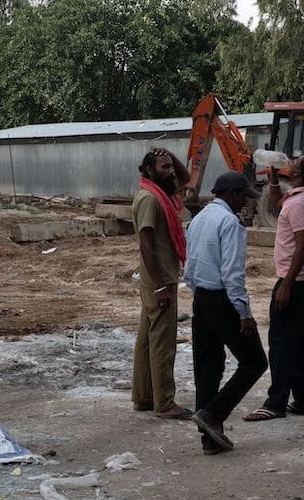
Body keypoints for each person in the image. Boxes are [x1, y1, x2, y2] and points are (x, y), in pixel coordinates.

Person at [185, 171, 268, 454]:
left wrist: (199, 294)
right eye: (243, 196)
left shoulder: (198, 219)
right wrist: (244, 313)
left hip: (201, 297)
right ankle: (213, 414)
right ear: (232, 193)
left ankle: (210, 439)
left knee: (208, 366)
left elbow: (191, 265)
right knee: (255, 362)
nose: (245, 202)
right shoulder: (229, 222)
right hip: (222, 299)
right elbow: (233, 273)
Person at [245, 153, 304, 421]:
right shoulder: (302, 196)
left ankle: (276, 402)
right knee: (302, 341)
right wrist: (272, 178)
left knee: (281, 342)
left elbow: (301, 245)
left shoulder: (300, 203)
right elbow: (277, 203)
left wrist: (286, 285)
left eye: (295, 163)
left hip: (296, 282)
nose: (289, 163)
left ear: (297, 173)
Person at [131, 147, 193, 420]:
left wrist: (170, 155)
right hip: (159, 281)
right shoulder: (150, 199)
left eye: (170, 166)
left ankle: (144, 397)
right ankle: (165, 403)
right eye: (164, 167)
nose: (170, 172)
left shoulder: (162, 194)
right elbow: (146, 245)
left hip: (156, 279)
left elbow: (186, 177)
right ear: (148, 171)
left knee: (146, 341)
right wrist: (159, 286)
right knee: (163, 344)